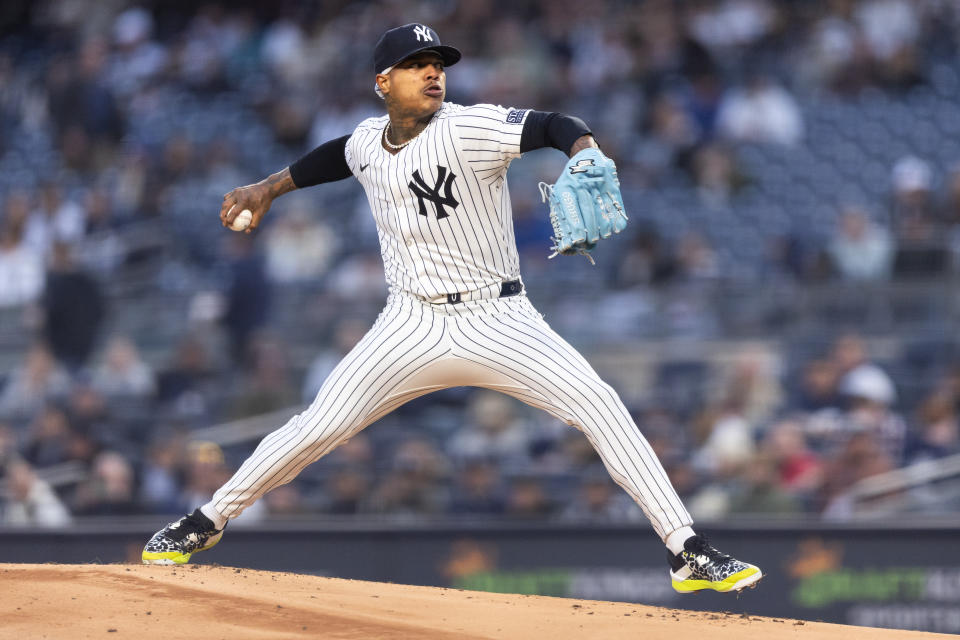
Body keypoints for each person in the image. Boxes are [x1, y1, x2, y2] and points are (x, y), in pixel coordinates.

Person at [142, 23, 762, 594]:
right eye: (416, 64)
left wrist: (585, 149)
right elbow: (335, 155)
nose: (433, 72)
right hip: (409, 322)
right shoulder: (366, 140)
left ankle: (690, 551)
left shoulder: (469, 127)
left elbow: (550, 122)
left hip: (499, 319)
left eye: (438, 62)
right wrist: (267, 187)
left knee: (599, 404)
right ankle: (205, 520)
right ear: (382, 82)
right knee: (317, 427)